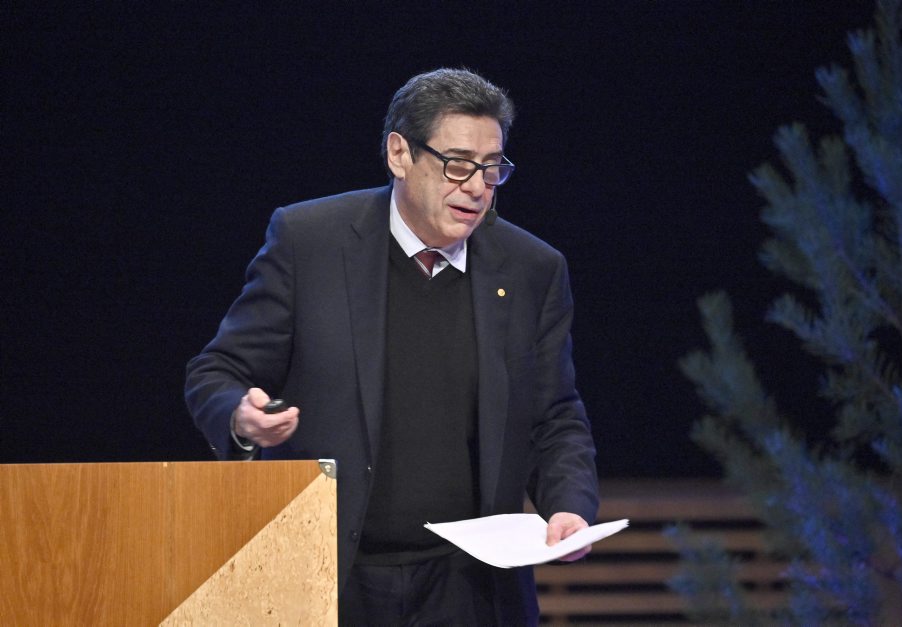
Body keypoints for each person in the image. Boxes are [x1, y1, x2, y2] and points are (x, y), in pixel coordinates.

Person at [185, 67, 599, 625]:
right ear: (399, 154)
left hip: (470, 585)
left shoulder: (531, 268)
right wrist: (241, 416)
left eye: (492, 168)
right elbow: (216, 371)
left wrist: (569, 506)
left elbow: (555, 415)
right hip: (331, 572)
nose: (477, 187)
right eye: (458, 164)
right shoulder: (310, 241)